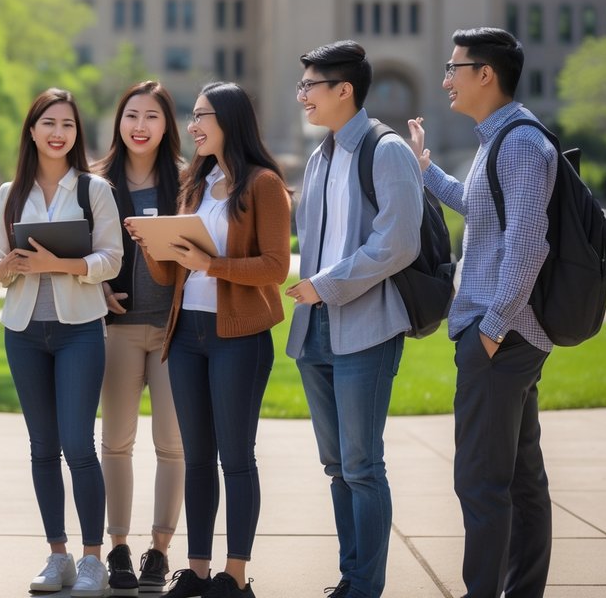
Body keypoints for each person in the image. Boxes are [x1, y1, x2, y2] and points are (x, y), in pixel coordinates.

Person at [407, 28, 557, 598]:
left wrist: (490, 332)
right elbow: (483, 210)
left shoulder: (517, 143)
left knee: (481, 482)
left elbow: (527, 246)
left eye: (454, 68)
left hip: (501, 338)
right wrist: (427, 171)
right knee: (520, 479)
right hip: (509, 337)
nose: (446, 79)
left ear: (484, 74)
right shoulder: (500, 140)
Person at [129, 82, 291, 598]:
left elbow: (275, 266)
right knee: (196, 456)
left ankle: (235, 576)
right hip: (188, 334)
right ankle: (197, 572)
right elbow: (168, 273)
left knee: (236, 457)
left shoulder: (264, 184)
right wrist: (152, 243)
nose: (192, 125)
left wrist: (211, 264)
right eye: (192, 115)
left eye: (202, 116)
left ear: (230, 121)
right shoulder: (192, 184)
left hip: (238, 336)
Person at [283, 41, 423, 598]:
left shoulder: (385, 150)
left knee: (363, 465)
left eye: (310, 86)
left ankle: (366, 586)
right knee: (337, 465)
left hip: (365, 326)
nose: (302, 97)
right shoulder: (320, 156)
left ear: (344, 90)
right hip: (315, 327)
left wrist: (327, 286)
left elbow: (399, 243)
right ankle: (350, 577)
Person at [0, 88, 123, 598]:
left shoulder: (94, 190)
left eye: (66, 124)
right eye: (48, 122)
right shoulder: (9, 193)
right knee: (42, 448)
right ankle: (57, 556)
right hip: (24, 332)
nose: (57, 132)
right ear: (31, 130)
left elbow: (112, 260)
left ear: (76, 133)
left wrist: (59, 265)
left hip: (79, 330)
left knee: (76, 445)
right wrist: (7, 267)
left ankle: (94, 559)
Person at [91, 82, 185, 595]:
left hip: (173, 332)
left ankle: (160, 549)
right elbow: (81, 249)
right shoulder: (97, 182)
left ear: (167, 123)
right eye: (131, 114)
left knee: (173, 446)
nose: (140, 125)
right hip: (117, 331)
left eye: (151, 115)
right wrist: (98, 283)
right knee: (117, 442)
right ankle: (120, 546)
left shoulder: (188, 181)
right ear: (119, 122)